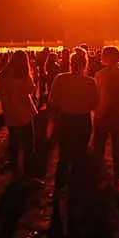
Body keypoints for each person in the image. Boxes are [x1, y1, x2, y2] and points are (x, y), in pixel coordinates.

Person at [48, 49, 99, 191]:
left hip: (65, 120)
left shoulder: (60, 79)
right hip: (82, 120)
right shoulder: (90, 82)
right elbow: (95, 103)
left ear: (70, 64)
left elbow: (52, 101)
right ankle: (78, 186)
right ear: (85, 65)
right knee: (80, 154)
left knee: (64, 154)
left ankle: (60, 185)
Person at [0, 50, 43, 186]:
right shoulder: (22, 75)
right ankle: (29, 175)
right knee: (28, 146)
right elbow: (31, 89)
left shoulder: (4, 74)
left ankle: (15, 171)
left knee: (14, 142)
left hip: (10, 113)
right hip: (23, 113)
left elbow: (2, 92)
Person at [92, 46, 119, 191]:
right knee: (117, 149)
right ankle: (117, 179)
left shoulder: (100, 75)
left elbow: (99, 96)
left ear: (108, 57)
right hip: (118, 115)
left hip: (103, 115)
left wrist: (99, 112)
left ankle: (97, 176)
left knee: (99, 148)